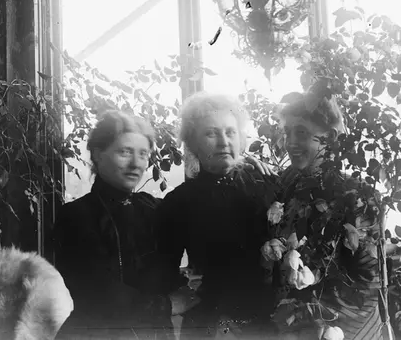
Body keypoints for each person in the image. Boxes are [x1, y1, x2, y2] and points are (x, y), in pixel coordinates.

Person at [155, 91, 279, 339]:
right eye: (211, 133)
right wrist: (189, 297)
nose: (223, 142)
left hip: (268, 322)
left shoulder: (267, 185)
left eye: (230, 132)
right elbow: (164, 272)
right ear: (192, 144)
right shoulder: (179, 202)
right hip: (209, 323)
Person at [54, 110, 174, 339]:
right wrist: (168, 306)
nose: (136, 164)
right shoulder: (76, 215)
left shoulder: (152, 208)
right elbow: (98, 294)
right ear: (98, 154)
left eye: (143, 154)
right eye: (125, 152)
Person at [274, 92, 385, 340]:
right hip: (289, 325)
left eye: (302, 133)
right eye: (288, 133)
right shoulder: (285, 183)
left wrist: (307, 316)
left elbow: (367, 284)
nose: (290, 143)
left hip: (341, 329)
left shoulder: (358, 196)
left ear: (331, 137)